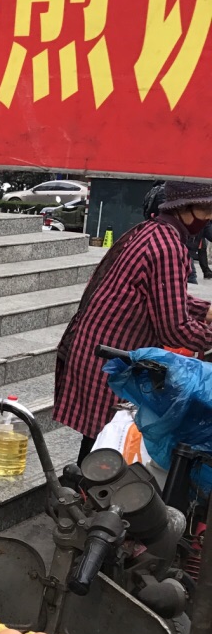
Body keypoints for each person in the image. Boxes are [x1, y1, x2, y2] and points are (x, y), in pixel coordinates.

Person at [54, 180, 212, 462]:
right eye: (205, 209)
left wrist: (205, 312)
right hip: (111, 355)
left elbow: (162, 296)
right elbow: (175, 329)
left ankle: (81, 495)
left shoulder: (152, 231)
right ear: (183, 208)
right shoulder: (168, 247)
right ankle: (82, 499)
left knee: (101, 440)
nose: (209, 216)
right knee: (104, 444)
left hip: (95, 345)